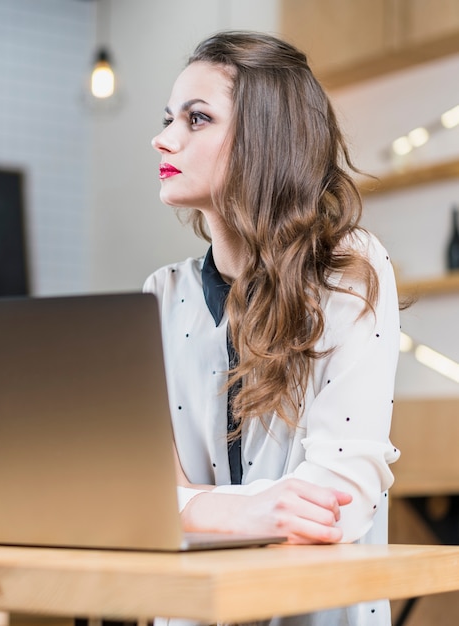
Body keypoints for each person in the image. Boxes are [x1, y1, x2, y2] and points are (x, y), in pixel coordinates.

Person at [144, 31, 401, 626]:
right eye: (168, 119)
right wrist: (251, 512)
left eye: (196, 118)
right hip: (191, 612)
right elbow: (139, 501)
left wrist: (192, 508)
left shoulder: (351, 272)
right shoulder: (161, 294)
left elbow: (336, 500)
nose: (163, 138)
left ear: (264, 139)